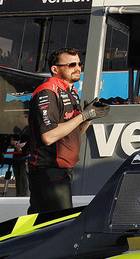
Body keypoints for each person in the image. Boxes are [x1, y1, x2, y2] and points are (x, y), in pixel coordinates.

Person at [27, 48, 109, 213]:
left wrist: (89, 117)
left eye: (79, 64)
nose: (77, 68)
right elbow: (49, 136)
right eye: (71, 64)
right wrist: (83, 116)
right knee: (57, 226)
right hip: (48, 170)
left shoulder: (71, 91)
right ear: (55, 69)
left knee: (43, 224)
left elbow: (74, 132)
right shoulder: (48, 90)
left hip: (63, 170)